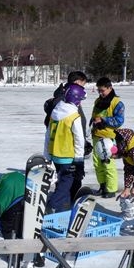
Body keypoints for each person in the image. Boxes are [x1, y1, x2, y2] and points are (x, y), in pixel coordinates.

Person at [44, 71, 91, 199]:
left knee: (65, 182)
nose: (83, 89)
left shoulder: (65, 101)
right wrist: (79, 159)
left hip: (60, 151)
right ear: (76, 83)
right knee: (68, 182)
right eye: (82, 85)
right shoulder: (66, 103)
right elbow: (56, 129)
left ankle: (63, 205)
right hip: (68, 152)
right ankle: (58, 205)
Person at [90, 77, 125, 198]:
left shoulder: (117, 103)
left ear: (110, 88)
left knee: (108, 163)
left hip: (109, 139)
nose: (100, 93)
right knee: (97, 163)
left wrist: (104, 120)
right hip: (96, 136)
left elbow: (119, 121)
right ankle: (103, 186)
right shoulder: (97, 101)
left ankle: (111, 189)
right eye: (99, 90)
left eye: (102, 90)